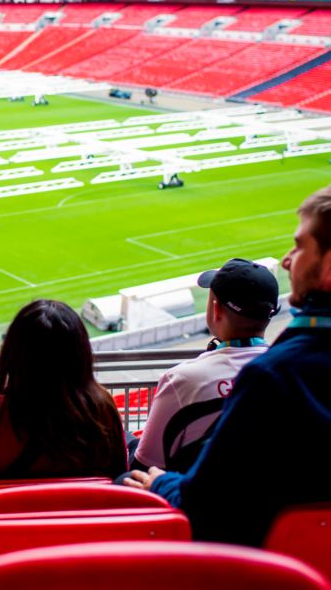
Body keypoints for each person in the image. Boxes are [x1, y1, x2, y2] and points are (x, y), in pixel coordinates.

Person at [125, 185, 331, 546]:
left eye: (299, 246)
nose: (287, 259)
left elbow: (206, 504)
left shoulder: (275, 377)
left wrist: (161, 482)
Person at [0, 299, 127, 489]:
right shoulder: (102, 409)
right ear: (81, 355)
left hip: (2, 518)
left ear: (12, 354)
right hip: (81, 518)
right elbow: (119, 478)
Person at [132, 258, 278, 472]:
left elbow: (146, 463)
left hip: (188, 500)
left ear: (216, 309)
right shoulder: (291, 372)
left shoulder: (182, 380)